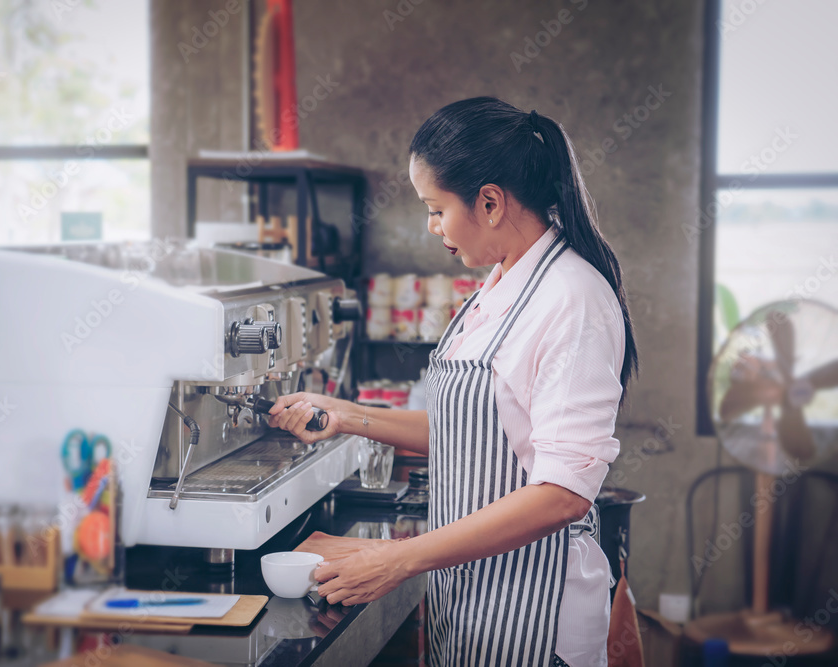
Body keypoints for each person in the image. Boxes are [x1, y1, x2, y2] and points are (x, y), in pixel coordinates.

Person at [268, 97, 638, 667]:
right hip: (471, 599)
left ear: (490, 201)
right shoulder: (497, 285)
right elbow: (473, 435)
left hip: (534, 613)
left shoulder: (572, 299)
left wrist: (398, 558)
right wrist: (344, 413)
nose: (433, 227)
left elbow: (563, 493)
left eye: (435, 208)